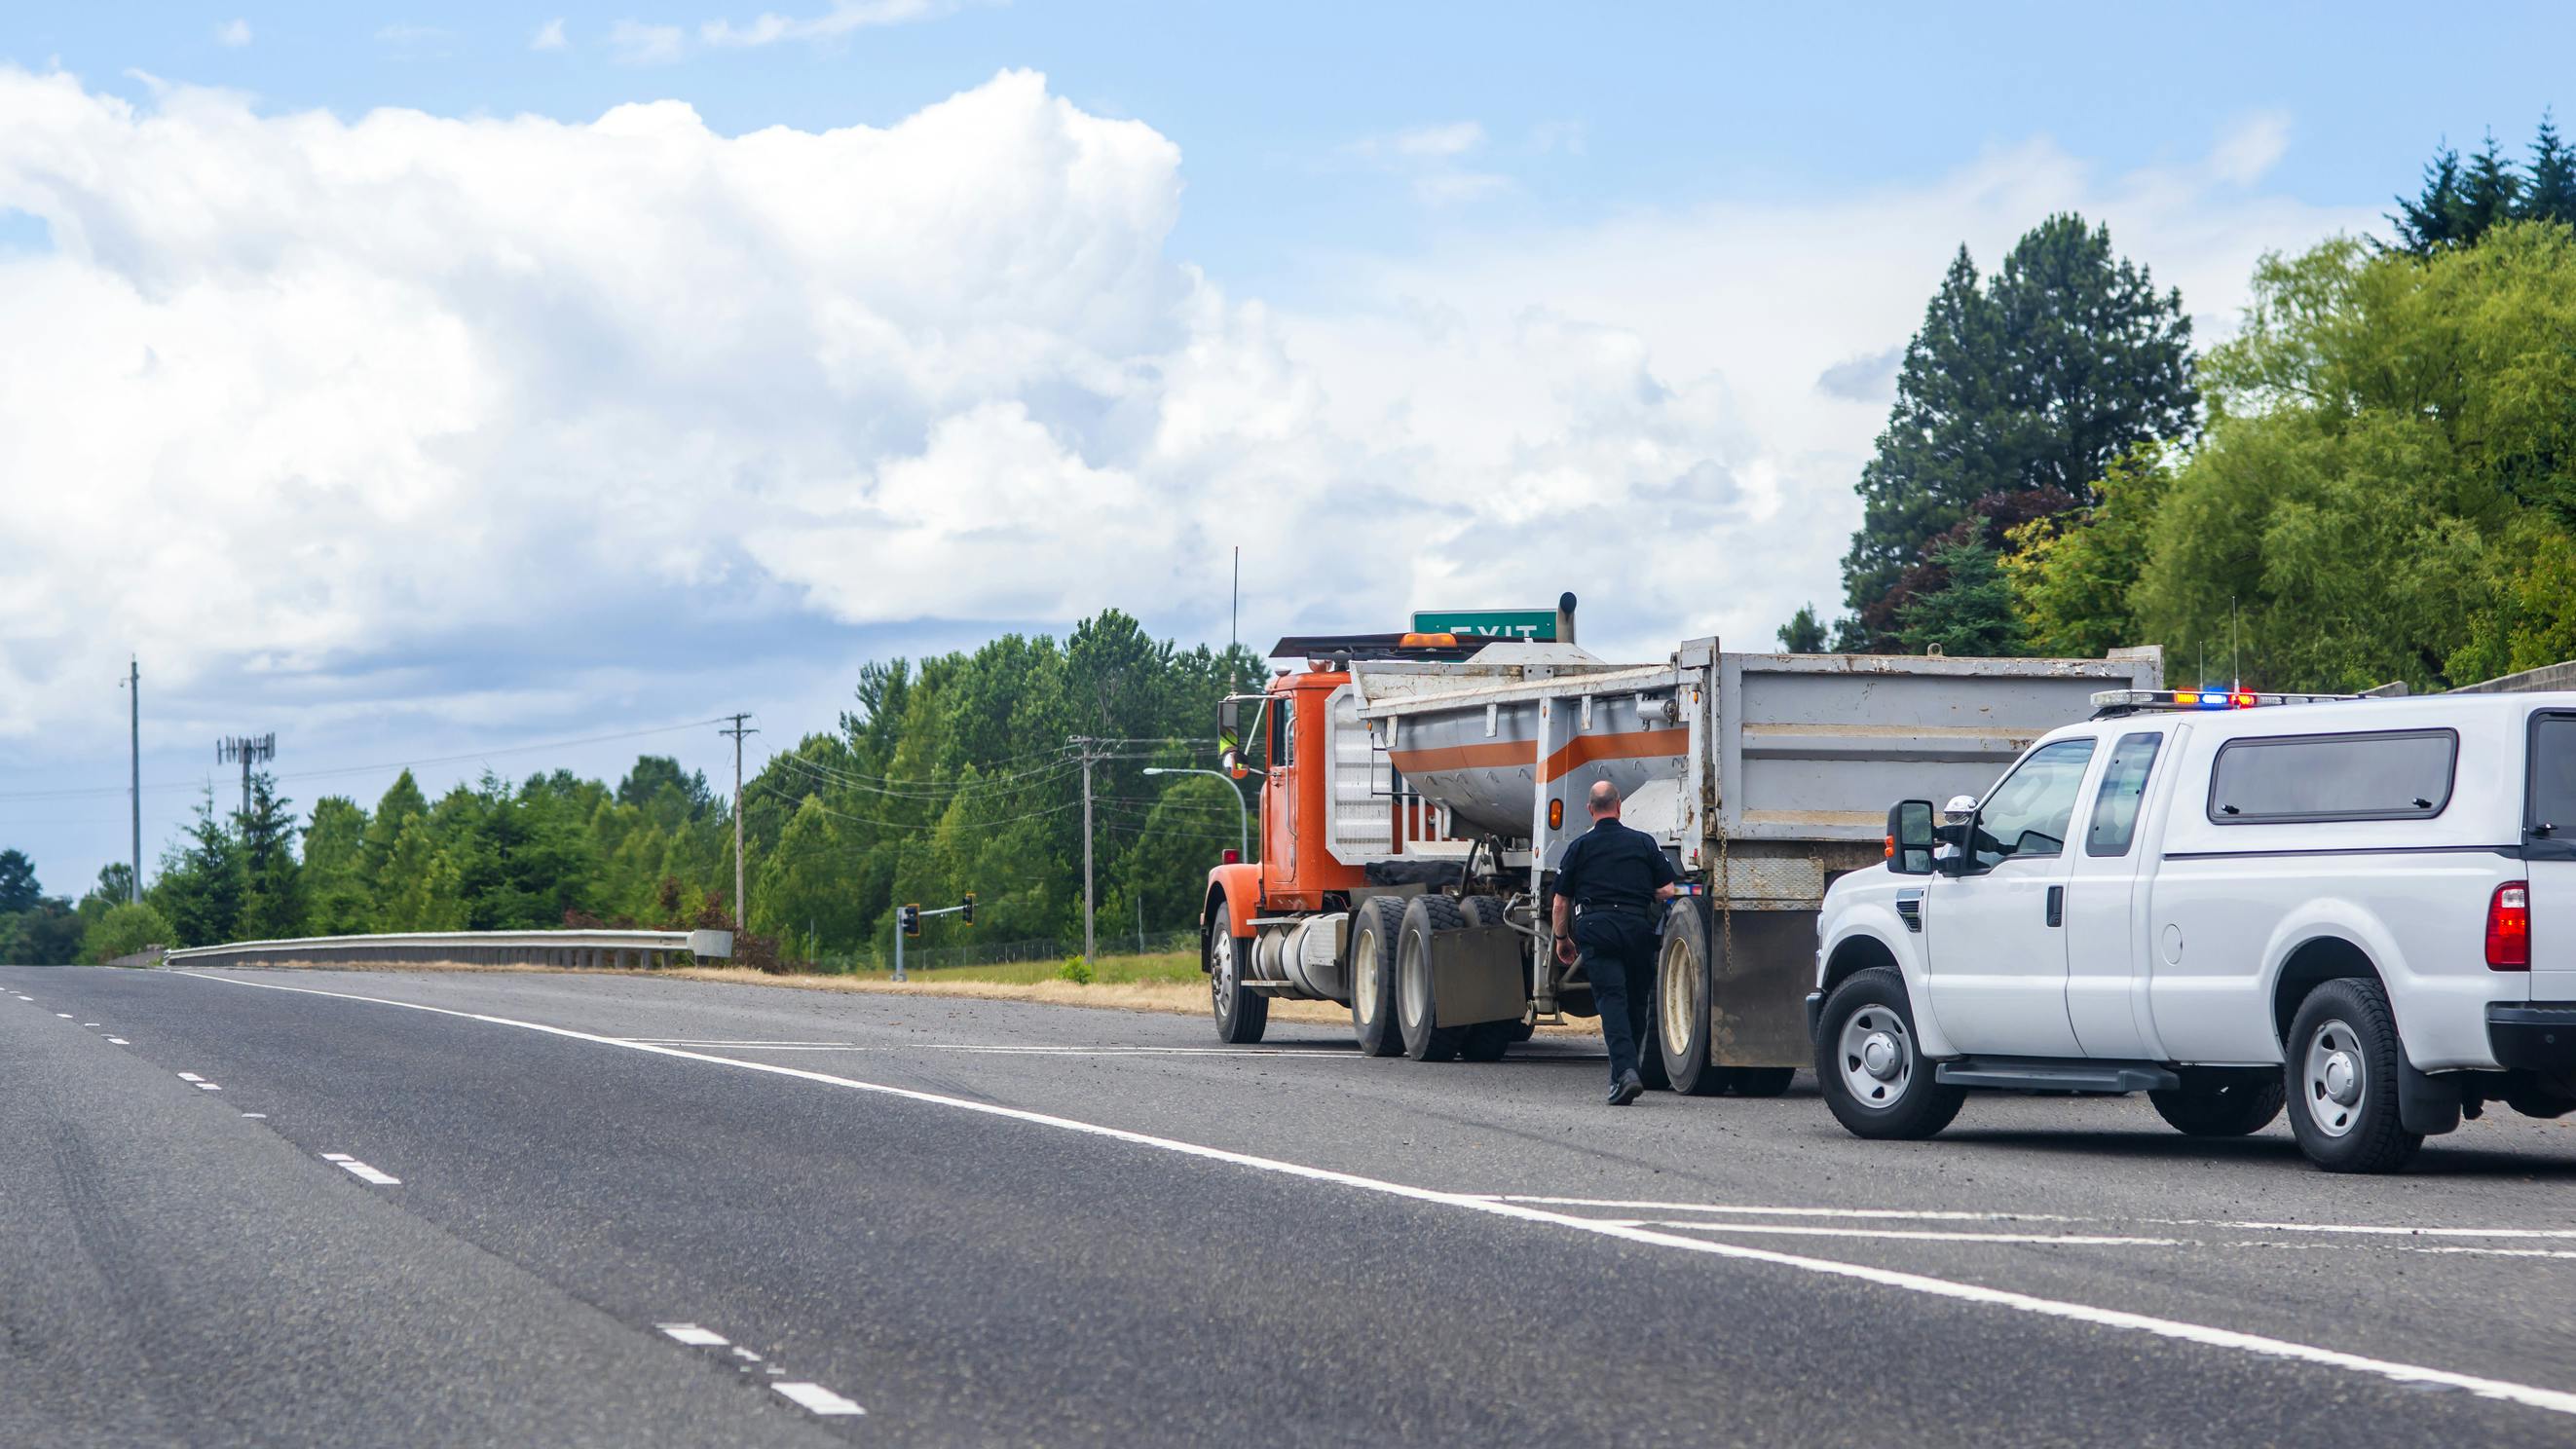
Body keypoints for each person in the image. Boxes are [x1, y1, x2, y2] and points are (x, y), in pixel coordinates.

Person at [1551, 778, 1682, 1106]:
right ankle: (1626, 1071)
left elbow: (1560, 902)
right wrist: (1644, 893)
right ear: (1619, 805)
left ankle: (1625, 1073)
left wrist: (1561, 938)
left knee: (1612, 1000)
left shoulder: (1579, 847)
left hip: (1598, 929)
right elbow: (1669, 890)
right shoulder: (1642, 843)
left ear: (1589, 809)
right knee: (1637, 1001)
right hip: (1637, 927)